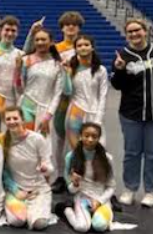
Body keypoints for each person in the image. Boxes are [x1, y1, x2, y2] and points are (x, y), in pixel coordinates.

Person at [111, 19, 153, 207]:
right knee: (132, 153)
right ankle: (130, 188)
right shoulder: (122, 55)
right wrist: (119, 70)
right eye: (130, 32)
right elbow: (117, 85)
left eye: (137, 30)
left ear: (146, 31)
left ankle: (151, 191)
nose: (134, 34)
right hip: (131, 113)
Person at [15, 26, 65, 187]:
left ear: (51, 42)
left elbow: (57, 93)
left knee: (43, 147)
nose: (40, 42)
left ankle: (43, 182)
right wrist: (17, 71)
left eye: (44, 39)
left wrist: (48, 115)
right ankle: (24, 179)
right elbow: (19, 88)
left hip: (45, 111)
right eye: (37, 40)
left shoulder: (58, 64)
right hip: (26, 107)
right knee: (25, 144)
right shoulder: (26, 60)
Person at [0, 107, 54, 231]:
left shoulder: (37, 139)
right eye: (8, 119)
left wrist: (45, 169)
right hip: (16, 189)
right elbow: (2, 171)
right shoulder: (1, 140)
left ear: (22, 120)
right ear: (4, 121)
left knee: (39, 224)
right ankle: (23, 209)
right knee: (17, 221)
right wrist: (16, 191)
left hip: (37, 189)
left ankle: (36, 210)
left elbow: (50, 168)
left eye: (15, 118)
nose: (12, 121)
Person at [48, 11, 84, 193]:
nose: (71, 27)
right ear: (62, 28)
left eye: (75, 24)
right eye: (67, 24)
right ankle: (59, 176)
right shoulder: (54, 49)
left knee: (76, 140)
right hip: (60, 99)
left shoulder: (84, 47)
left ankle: (76, 175)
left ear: (79, 28)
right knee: (58, 140)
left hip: (78, 99)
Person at [63, 122, 116, 233]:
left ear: (98, 138)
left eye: (94, 136)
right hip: (82, 198)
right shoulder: (71, 157)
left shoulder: (107, 159)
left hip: (101, 198)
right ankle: (67, 211)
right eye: (87, 136)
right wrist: (76, 183)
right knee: (82, 227)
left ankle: (97, 215)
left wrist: (99, 201)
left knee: (99, 226)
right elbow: (70, 189)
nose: (90, 139)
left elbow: (111, 187)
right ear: (81, 136)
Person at [63, 35, 108, 151]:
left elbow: (103, 96)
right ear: (75, 49)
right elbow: (67, 92)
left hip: (94, 112)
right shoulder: (71, 68)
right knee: (75, 152)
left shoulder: (101, 70)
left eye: (86, 45)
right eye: (79, 45)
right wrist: (67, 75)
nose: (83, 48)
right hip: (76, 112)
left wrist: (98, 119)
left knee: (98, 151)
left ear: (92, 47)